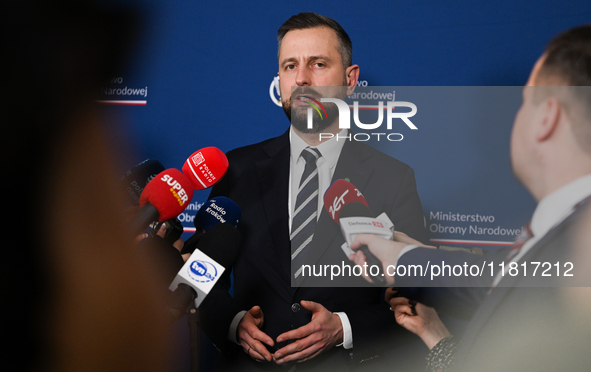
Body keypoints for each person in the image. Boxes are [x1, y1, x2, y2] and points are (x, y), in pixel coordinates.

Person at [349, 24, 591, 371]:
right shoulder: (559, 239)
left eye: (523, 102)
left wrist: (398, 256)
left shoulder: (580, 250)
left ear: (547, 118)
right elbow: (496, 277)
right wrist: (401, 258)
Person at [198, 12, 429, 371]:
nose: (301, 79)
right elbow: (197, 280)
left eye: (318, 64)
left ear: (350, 80)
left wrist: (344, 328)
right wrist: (232, 323)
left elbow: (416, 299)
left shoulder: (393, 178)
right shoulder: (237, 170)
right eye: (289, 66)